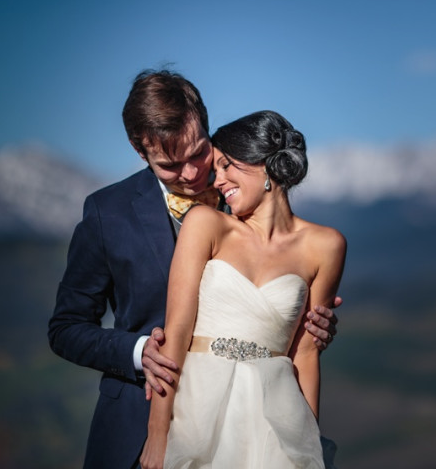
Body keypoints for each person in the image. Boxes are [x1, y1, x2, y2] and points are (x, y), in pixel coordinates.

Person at [48, 70, 340, 468]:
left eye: (199, 152)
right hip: (137, 427)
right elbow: (65, 328)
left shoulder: (241, 187)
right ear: (140, 150)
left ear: (205, 124)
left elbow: (286, 312)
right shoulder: (107, 213)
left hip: (249, 428)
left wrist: (306, 320)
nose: (191, 174)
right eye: (170, 164)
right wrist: (138, 352)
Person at [139, 110, 346, 469]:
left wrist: (310, 445)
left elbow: (307, 353)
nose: (216, 181)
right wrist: (157, 435)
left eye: (226, 166)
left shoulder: (326, 245)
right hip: (199, 406)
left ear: (263, 164)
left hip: (276, 417)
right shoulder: (205, 223)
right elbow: (177, 331)